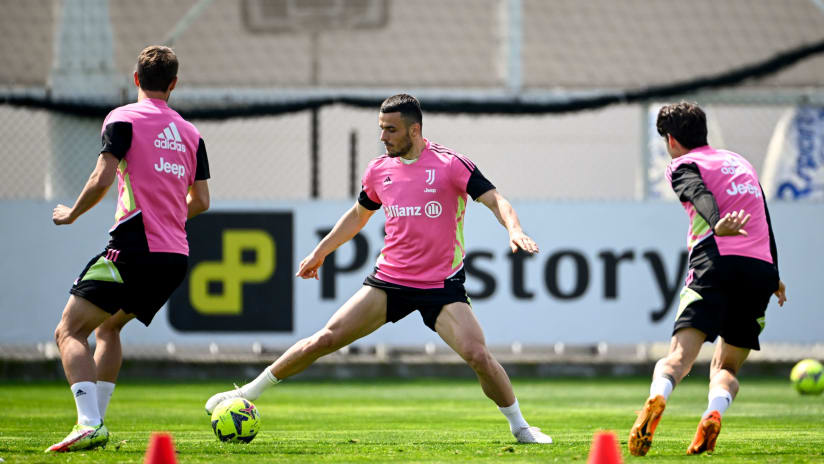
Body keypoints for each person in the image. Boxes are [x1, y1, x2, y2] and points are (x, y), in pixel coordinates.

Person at [206, 93, 552, 444]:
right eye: (381, 129)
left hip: (441, 286)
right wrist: (320, 252)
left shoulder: (450, 165)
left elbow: (496, 199)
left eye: (390, 129)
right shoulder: (378, 170)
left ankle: (521, 428)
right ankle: (245, 393)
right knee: (325, 339)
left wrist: (515, 230)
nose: (383, 137)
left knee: (479, 355)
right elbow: (359, 215)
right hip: (390, 281)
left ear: (414, 130)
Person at [46, 45, 211, 452]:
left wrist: (71, 214)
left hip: (132, 249)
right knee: (108, 326)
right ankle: (97, 422)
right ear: (173, 85)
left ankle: (88, 423)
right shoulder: (191, 134)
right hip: (174, 258)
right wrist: (168, 218)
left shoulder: (123, 118)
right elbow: (203, 201)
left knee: (69, 330)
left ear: (135, 79)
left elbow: (102, 178)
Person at [628, 102, 787, 456]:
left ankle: (656, 398)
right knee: (727, 366)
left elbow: (697, 194)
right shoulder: (739, 162)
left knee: (678, 359)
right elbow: (763, 212)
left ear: (671, 140)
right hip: (759, 269)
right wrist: (774, 272)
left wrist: (715, 223)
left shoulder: (683, 164)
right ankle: (713, 411)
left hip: (715, 262)